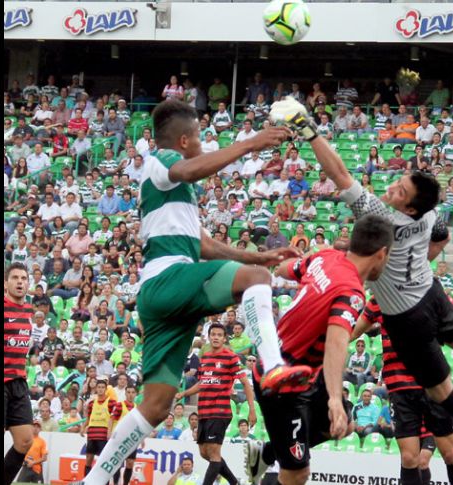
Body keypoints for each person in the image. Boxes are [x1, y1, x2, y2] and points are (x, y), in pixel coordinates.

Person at [269, 96, 453, 480]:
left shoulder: (383, 217)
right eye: (396, 184)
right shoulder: (429, 213)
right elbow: (439, 233)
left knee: (444, 394)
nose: (391, 189)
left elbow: (340, 174)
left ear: (409, 208)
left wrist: (309, 130)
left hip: (408, 317)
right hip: (431, 292)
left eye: (398, 191)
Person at [72, 100, 311, 485]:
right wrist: (250, 144)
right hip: (169, 280)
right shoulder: (162, 160)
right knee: (256, 282)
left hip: (160, 295)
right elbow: (187, 167)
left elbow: (205, 246)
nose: (202, 144)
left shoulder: (175, 193)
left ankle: (94, 481)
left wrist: (262, 256)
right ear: (184, 140)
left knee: (155, 405)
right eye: (199, 137)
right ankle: (273, 365)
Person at [243, 215, 393, 485]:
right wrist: (335, 398)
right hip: (281, 381)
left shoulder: (326, 257)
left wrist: (297, 263)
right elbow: (336, 343)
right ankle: (273, 456)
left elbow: (283, 270)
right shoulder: (352, 292)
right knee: (297, 473)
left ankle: (266, 453)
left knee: (344, 426)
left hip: (305, 372)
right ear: (382, 254)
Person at [352, 296, 453, 485]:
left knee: (451, 454)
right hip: (400, 388)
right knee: (409, 459)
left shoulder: (426, 290)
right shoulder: (378, 300)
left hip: (432, 385)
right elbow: (353, 332)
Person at [175, 323, 256, 485]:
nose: (216, 337)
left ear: (224, 338)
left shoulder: (231, 357)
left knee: (213, 454)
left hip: (220, 411)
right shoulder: (204, 358)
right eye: (213, 334)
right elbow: (202, 383)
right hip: (204, 411)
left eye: (220, 335)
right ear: (209, 337)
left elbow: (246, 384)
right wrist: (184, 393)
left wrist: (252, 410)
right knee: (204, 453)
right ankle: (235, 482)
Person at [4, 263, 37, 485]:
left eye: (23, 278)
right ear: (6, 283)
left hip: (18, 382)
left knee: (25, 441)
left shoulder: (28, 310)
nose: (19, 282)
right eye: (15, 277)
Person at [80, 381, 117, 479]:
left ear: (105, 389)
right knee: (88, 459)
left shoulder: (111, 402)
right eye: (99, 387)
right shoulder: (92, 403)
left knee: (104, 461)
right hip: (92, 434)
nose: (100, 389)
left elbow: (113, 418)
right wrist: (83, 427)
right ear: (96, 389)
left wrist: (110, 432)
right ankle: (86, 481)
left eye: (102, 387)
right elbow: (88, 418)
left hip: (103, 436)